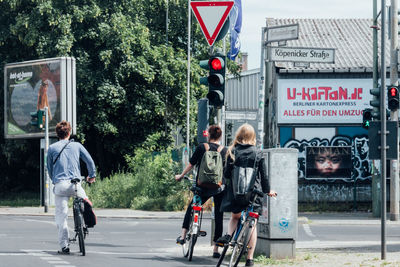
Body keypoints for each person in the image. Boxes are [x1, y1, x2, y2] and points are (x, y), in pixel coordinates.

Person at [216, 123, 277, 267]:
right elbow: (264, 177)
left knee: (235, 217)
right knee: (252, 224)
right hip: (254, 194)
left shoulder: (232, 151)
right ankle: (249, 259)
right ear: (252, 137)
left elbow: (226, 174)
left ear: (239, 136)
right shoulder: (258, 153)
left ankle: (229, 237)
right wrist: (268, 191)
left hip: (236, 193)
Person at [175, 125, 227, 258]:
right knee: (219, 215)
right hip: (218, 187)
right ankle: (216, 249)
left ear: (208, 135)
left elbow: (191, 164)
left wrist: (181, 176)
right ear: (220, 136)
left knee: (192, 207)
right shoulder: (224, 150)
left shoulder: (201, 147)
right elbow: (227, 171)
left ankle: (183, 236)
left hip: (202, 186)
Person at [46, 120, 96, 254]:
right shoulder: (77, 146)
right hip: (75, 183)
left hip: (60, 185)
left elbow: (49, 169)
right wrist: (92, 175)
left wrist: (55, 180)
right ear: (69, 132)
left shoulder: (52, 148)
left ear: (57, 133)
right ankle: (86, 214)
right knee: (84, 199)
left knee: (61, 216)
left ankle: (64, 246)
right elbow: (89, 161)